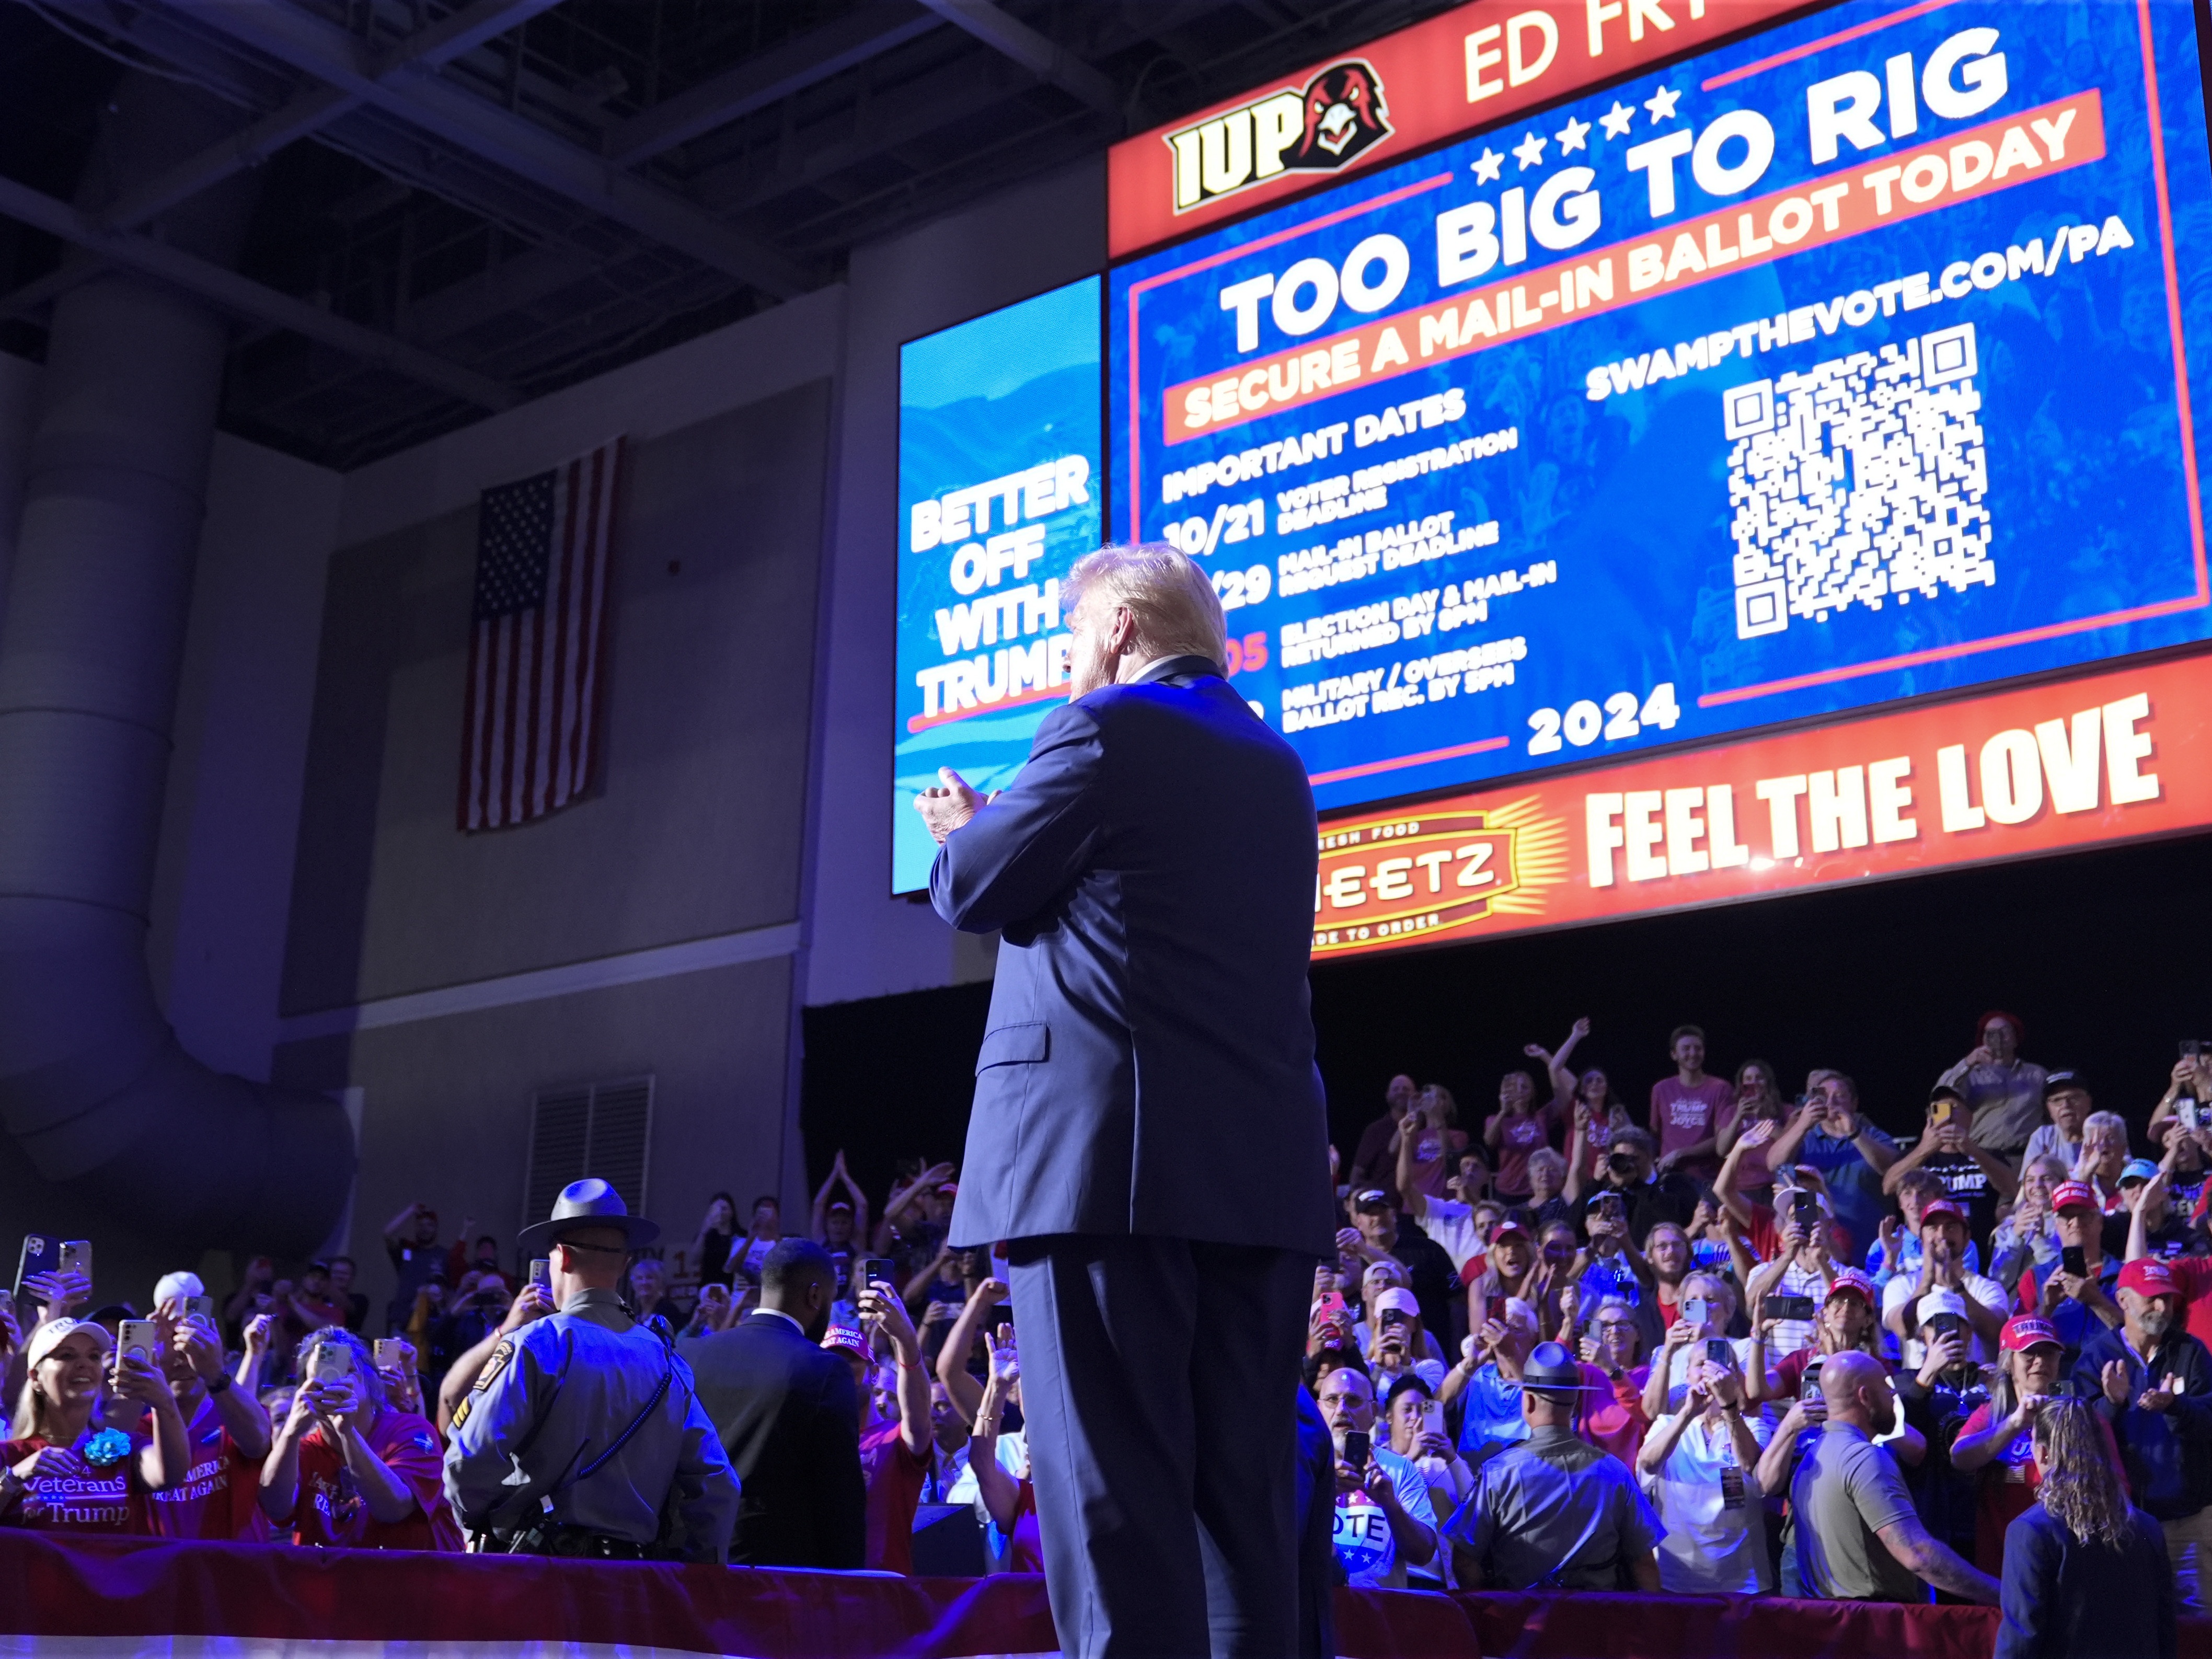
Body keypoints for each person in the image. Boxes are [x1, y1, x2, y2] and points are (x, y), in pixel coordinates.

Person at [915, 543, 1334, 1657]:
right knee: (1237, 1507)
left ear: (1112, 633)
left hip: (1105, 1177)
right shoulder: (1276, 763)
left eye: (1070, 641)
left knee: (1112, 1506)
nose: (1068, 661)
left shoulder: (1104, 728)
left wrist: (966, 821)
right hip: (1258, 1181)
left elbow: (975, 885)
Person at [444, 1180, 736, 1561]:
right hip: (633, 1585)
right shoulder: (668, 1362)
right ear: (624, 1263)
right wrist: (699, 1570)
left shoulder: (537, 1343)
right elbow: (718, 1485)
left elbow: (469, 1463)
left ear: (561, 1257)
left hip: (537, 1577)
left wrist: (482, 1531)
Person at [680, 1236, 863, 1568]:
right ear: (815, 1295)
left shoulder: (691, 1354)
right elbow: (840, 1498)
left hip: (687, 1562)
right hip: (778, 1576)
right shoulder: (823, 1369)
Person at [1442, 1340, 1664, 1589]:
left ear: (1529, 1402)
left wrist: (1495, 1610)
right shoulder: (1615, 1472)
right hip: (1598, 1621)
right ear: (1576, 1401)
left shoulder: (1499, 1472)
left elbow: (1463, 1559)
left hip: (1521, 1621)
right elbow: (1644, 1564)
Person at [1786, 1351, 1999, 1604]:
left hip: (1838, 1620)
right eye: (1885, 1386)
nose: (1893, 1394)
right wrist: (2002, 1593)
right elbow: (1918, 1554)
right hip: (1876, 1624)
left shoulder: (1814, 1455)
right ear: (1865, 1396)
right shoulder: (1864, 1459)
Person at [1997, 1395, 2179, 1659]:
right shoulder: (2148, 1528)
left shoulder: (2030, 1532)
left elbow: (2020, 1641)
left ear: (2044, 1453)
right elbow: (2165, 1633)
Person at [2077, 1257, 2212, 1610]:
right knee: (2128, 1621)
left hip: (2189, 1521)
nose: (2161, 1306)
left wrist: (2176, 1407)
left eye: (2167, 1298)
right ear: (2122, 1300)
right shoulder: (2097, 1357)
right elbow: (2079, 1435)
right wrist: (2110, 1403)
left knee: (2198, 1626)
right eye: (2151, 1297)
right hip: (2122, 1526)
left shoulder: (2191, 1352)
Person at [264, 1328, 461, 1550]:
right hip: (335, 1581)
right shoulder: (304, 1448)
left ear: (370, 1382)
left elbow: (394, 1508)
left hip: (415, 1579)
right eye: (321, 1375)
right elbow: (275, 1508)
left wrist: (347, 1433)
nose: (335, 1382)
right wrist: (291, 1432)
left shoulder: (411, 1430)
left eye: (348, 1371)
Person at [1, 1319, 182, 1532]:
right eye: (67, 1355)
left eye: (94, 1356)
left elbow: (170, 1475)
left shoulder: (124, 1448)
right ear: (36, 1377)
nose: (84, 1364)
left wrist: (164, 1403)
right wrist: (14, 1478)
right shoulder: (10, 1455)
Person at [1638, 1342, 1771, 1592]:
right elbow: (1647, 1463)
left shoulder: (1755, 1427)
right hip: (1677, 1579)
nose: (1711, 1370)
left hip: (1742, 1583)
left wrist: (1729, 1406)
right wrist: (1687, 1413)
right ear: (1687, 1374)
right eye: (1701, 1364)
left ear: (1735, 1375)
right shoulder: (1667, 1424)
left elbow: (1751, 1465)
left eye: (1719, 1362)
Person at [1952, 1315, 2077, 1575]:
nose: (2041, 1361)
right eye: (2029, 1353)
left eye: (2049, 1353)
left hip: (2065, 1558)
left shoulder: (2078, 1412)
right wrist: (2014, 1424)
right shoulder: (1991, 1414)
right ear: (2009, 1362)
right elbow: (1959, 1457)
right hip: (2002, 1560)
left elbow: (2114, 1480)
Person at [147, 1299, 271, 1541]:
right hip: (164, 1574)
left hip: (235, 1570)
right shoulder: (141, 1427)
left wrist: (215, 1373)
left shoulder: (233, 1416)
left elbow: (257, 1443)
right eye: (172, 1354)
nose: (183, 1361)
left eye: (191, 1353)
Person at [1314, 1360, 1438, 1589]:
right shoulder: (1303, 1465)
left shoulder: (1400, 1470)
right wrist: (1323, 1491)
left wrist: (1390, 1505)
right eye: (1332, 1400)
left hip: (1381, 1616)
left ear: (1373, 1412)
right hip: (1317, 1612)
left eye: (1353, 1400)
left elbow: (1424, 1553)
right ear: (1319, 1409)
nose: (1342, 1409)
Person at [838, 1273, 932, 1573]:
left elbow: (918, 1415)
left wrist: (905, 1338)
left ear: (874, 1373)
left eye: (851, 1363)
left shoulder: (895, 1438)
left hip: (885, 1590)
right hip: (827, 1589)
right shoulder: (817, 1441)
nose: (840, 1371)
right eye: (831, 1363)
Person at [1765, 1076, 1899, 1260]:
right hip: (1819, 1250)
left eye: (1840, 1095)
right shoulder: (1806, 1138)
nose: (1831, 1101)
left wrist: (1854, 1133)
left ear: (1854, 1103)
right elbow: (1774, 1163)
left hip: (1870, 1250)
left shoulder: (1873, 1136)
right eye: (1823, 1096)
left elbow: (1892, 1168)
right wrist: (1803, 1123)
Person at [1881, 1086, 2017, 1255]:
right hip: (1923, 1253)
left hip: (1977, 1252)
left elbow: (2013, 1190)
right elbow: (1889, 1186)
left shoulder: (1989, 1155)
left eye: (1953, 1108)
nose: (1947, 1116)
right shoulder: (1914, 1156)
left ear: (1970, 1117)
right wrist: (1925, 1148)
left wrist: (1971, 1150)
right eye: (1938, 1109)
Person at [1938, 1011, 2048, 1158]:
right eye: (1991, 1033)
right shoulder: (1971, 1075)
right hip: (1982, 1156)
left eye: (2004, 1032)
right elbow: (1940, 1095)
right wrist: (1968, 1062)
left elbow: (2052, 1114)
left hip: (2026, 1157)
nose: (1998, 1038)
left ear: (2016, 1039)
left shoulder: (2037, 1075)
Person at [1564, 1126, 1696, 1244]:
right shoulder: (1610, 1189)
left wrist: (1637, 1185)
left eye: (1633, 1159)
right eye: (1621, 1159)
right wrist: (1596, 1182)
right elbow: (1571, 1228)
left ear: (1649, 1156)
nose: (1628, 1165)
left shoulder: (1673, 1182)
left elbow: (1675, 1221)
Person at [1649, 1023, 1732, 1182]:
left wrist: (1681, 1153)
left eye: (1698, 1048)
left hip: (1707, 1177)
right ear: (1674, 1054)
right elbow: (1656, 1135)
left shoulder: (1720, 1088)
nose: (1693, 1053)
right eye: (1686, 1049)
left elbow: (1722, 1139)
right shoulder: (1661, 1089)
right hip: (1669, 1177)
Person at [1714, 1058, 1788, 1202]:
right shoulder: (1731, 1112)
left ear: (1768, 1082)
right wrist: (1738, 1117)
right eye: (1748, 1079)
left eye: (1759, 1078)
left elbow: (1791, 1145)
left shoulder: (1784, 1111)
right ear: (1741, 1085)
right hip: (1739, 1186)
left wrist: (1762, 1118)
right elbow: (1721, 1150)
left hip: (1772, 1185)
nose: (1754, 1083)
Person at [1483, 1069, 1552, 1205]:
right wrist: (1504, 1111)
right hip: (1508, 1191)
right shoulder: (1496, 1120)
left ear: (1532, 1093)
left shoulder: (1540, 1117)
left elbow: (1564, 1096)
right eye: (1515, 1087)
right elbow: (1489, 1141)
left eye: (1525, 1087)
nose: (1520, 1091)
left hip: (1538, 1189)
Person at [1348, 1074, 1418, 1206]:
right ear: (1387, 1096)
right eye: (1396, 1089)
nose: (1401, 1092)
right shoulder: (1375, 1130)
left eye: (1406, 1089)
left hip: (1421, 1206)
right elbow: (1357, 1175)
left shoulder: (1425, 1128)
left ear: (1415, 1095)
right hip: (1387, 1207)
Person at [382, 1202, 446, 1334]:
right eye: (421, 1225)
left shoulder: (444, 1255)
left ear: (436, 1229)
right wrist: (411, 1210)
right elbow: (387, 1234)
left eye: (430, 1225)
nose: (425, 1229)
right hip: (402, 1321)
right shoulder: (407, 1252)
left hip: (431, 1324)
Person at [2024, 1072, 2090, 1179]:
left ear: (2088, 1102)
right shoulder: (2043, 1137)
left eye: (2073, 1098)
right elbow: (2029, 1185)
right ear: (2048, 1109)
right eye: (2057, 1100)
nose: (2066, 1105)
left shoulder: (2105, 1132)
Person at [692, 1192, 740, 1291]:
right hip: (708, 1287)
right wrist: (704, 1231)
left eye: (724, 1209)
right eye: (716, 1209)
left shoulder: (740, 1235)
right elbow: (694, 1259)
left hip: (735, 1289)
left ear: (732, 1211)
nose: (720, 1213)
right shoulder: (706, 1235)